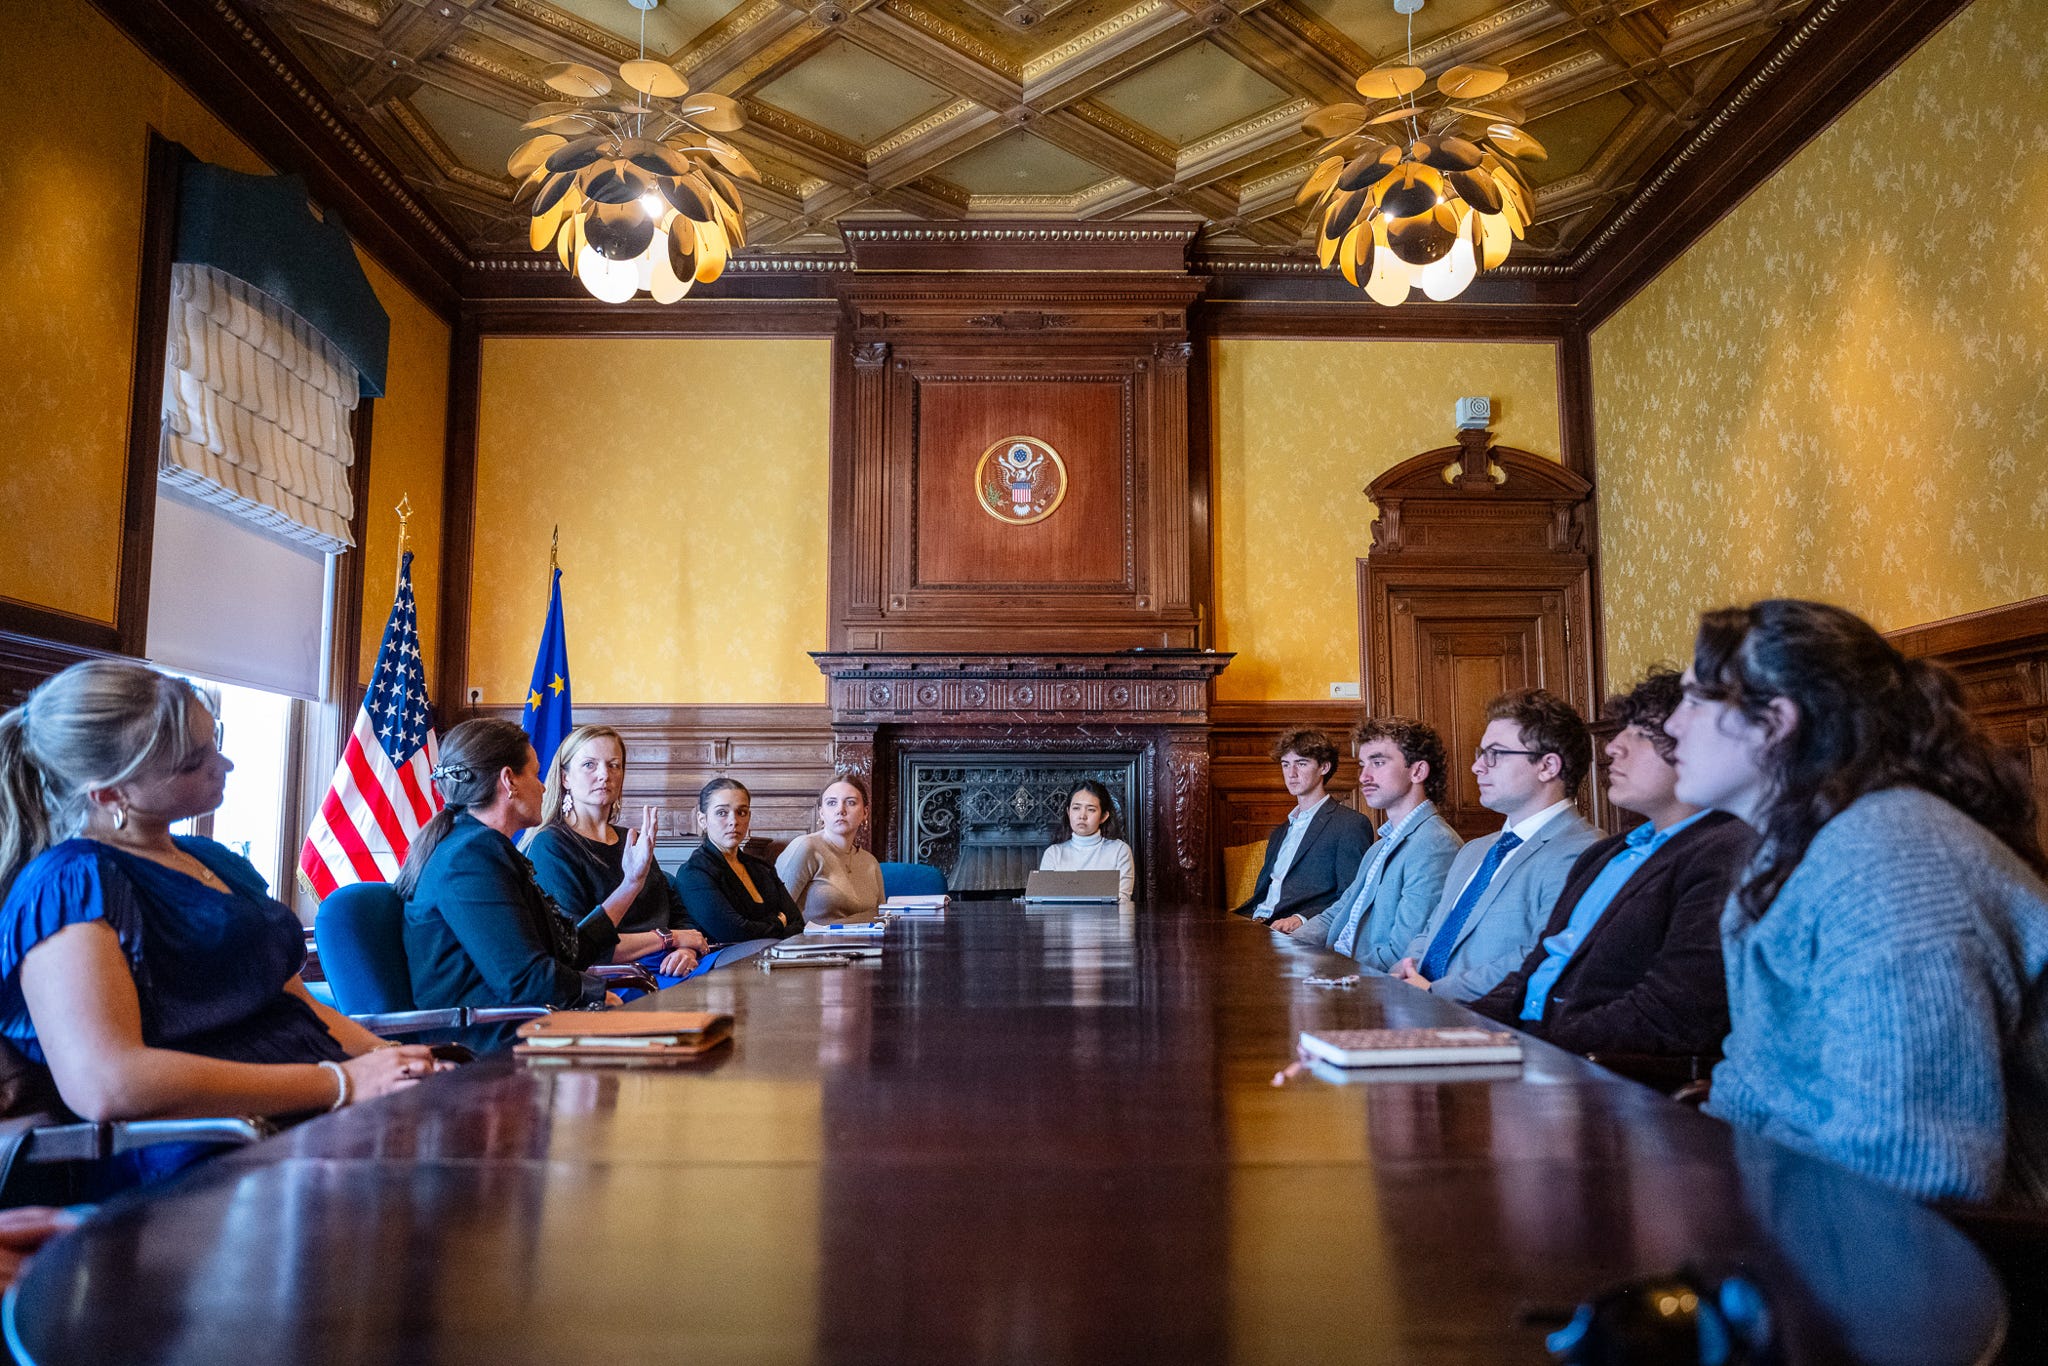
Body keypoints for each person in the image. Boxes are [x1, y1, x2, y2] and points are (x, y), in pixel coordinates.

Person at [1668, 600, 2048, 1208]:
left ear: (1777, 722)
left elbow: (1911, 1174)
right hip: (1799, 1212)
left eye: (1695, 701)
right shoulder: (1793, 847)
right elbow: (1754, 1087)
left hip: (1943, 1263)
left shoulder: (1889, 862)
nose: (1671, 725)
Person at [0, 661, 438, 1146]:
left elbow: (292, 1000)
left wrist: (394, 1058)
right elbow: (108, 1083)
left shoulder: (211, 859)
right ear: (110, 792)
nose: (223, 765)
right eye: (193, 761)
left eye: (215, 744)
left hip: (311, 1112)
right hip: (210, 1149)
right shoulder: (68, 882)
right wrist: (343, 1083)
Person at [1470, 669, 1755, 1057]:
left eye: (1639, 733)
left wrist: (1529, 1048)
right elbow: (1535, 971)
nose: (1611, 747)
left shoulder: (1724, 854)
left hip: (1598, 1073)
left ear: (1695, 745)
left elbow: (1669, 1012)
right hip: (1534, 1048)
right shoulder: (1604, 854)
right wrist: (1460, 1031)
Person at [400, 718, 639, 1029]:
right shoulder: (470, 856)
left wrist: (632, 881)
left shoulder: (481, 846)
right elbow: (523, 980)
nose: (542, 786)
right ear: (509, 780)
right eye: (536, 774)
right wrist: (594, 993)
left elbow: (568, 949)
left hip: (524, 1023)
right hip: (489, 1044)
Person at [1393, 689, 1600, 1002]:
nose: (1477, 767)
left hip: (1491, 1024)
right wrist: (1404, 970)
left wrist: (1436, 991)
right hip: (1416, 1006)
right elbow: (1431, 931)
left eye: (1495, 754)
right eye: (1481, 753)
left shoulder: (1583, 850)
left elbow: (1539, 955)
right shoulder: (1473, 851)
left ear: (1547, 766)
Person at [1277, 718, 1462, 969]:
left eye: (1378, 762)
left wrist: (1328, 973)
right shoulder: (1380, 846)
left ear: (1417, 771)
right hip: (1333, 968)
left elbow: (1400, 954)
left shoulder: (1435, 845)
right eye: (1363, 765)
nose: (1364, 776)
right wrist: (1279, 950)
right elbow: (1335, 914)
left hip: (1365, 988)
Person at [524, 725, 706, 979]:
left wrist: (686, 950)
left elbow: (678, 913)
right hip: (618, 979)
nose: (604, 774)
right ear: (565, 777)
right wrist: (669, 939)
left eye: (614, 765)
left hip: (673, 965)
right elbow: (577, 945)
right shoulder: (551, 845)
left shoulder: (632, 839)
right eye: (589, 765)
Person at [1232, 728, 1374, 924]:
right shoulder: (1280, 832)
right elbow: (1263, 895)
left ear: (1324, 767)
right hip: (1255, 923)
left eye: (1301, 763)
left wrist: (1301, 919)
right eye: (1285, 764)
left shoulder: (1349, 825)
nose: (1291, 774)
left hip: (1296, 933)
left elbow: (1352, 896)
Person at [674, 778, 804, 942]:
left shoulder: (762, 867)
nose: (734, 821)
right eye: (722, 813)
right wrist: (778, 923)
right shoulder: (693, 872)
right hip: (723, 960)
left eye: (741, 812)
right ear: (703, 820)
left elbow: (798, 923)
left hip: (776, 953)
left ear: (749, 817)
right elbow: (732, 933)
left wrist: (761, 927)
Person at [776, 776, 885, 923]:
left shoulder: (870, 862)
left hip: (864, 943)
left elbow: (881, 917)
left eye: (851, 802)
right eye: (832, 803)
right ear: (821, 813)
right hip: (811, 944)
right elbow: (774, 912)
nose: (840, 810)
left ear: (865, 812)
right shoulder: (805, 847)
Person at [1038, 779, 1136, 902]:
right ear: (1068, 812)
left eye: (1091, 809)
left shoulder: (1119, 850)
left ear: (1104, 816)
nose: (1082, 816)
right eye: (1076, 808)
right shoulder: (1053, 853)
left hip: (1109, 920)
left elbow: (1122, 900)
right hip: (1064, 920)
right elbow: (1045, 902)